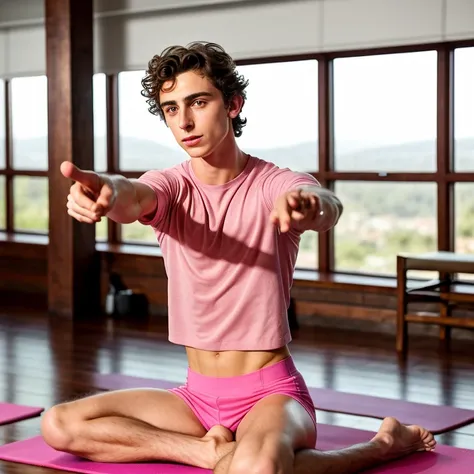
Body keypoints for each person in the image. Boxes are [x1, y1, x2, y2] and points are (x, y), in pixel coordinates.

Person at [41, 42, 436, 474]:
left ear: (233, 104)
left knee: (256, 469)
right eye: (171, 109)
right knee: (59, 424)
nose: (185, 120)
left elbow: (326, 205)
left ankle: (380, 447)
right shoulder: (171, 187)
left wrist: (309, 205)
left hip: (270, 393)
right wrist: (105, 190)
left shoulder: (275, 183)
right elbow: (131, 195)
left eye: (198, 102)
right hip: (194, 396)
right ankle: (206, 452)